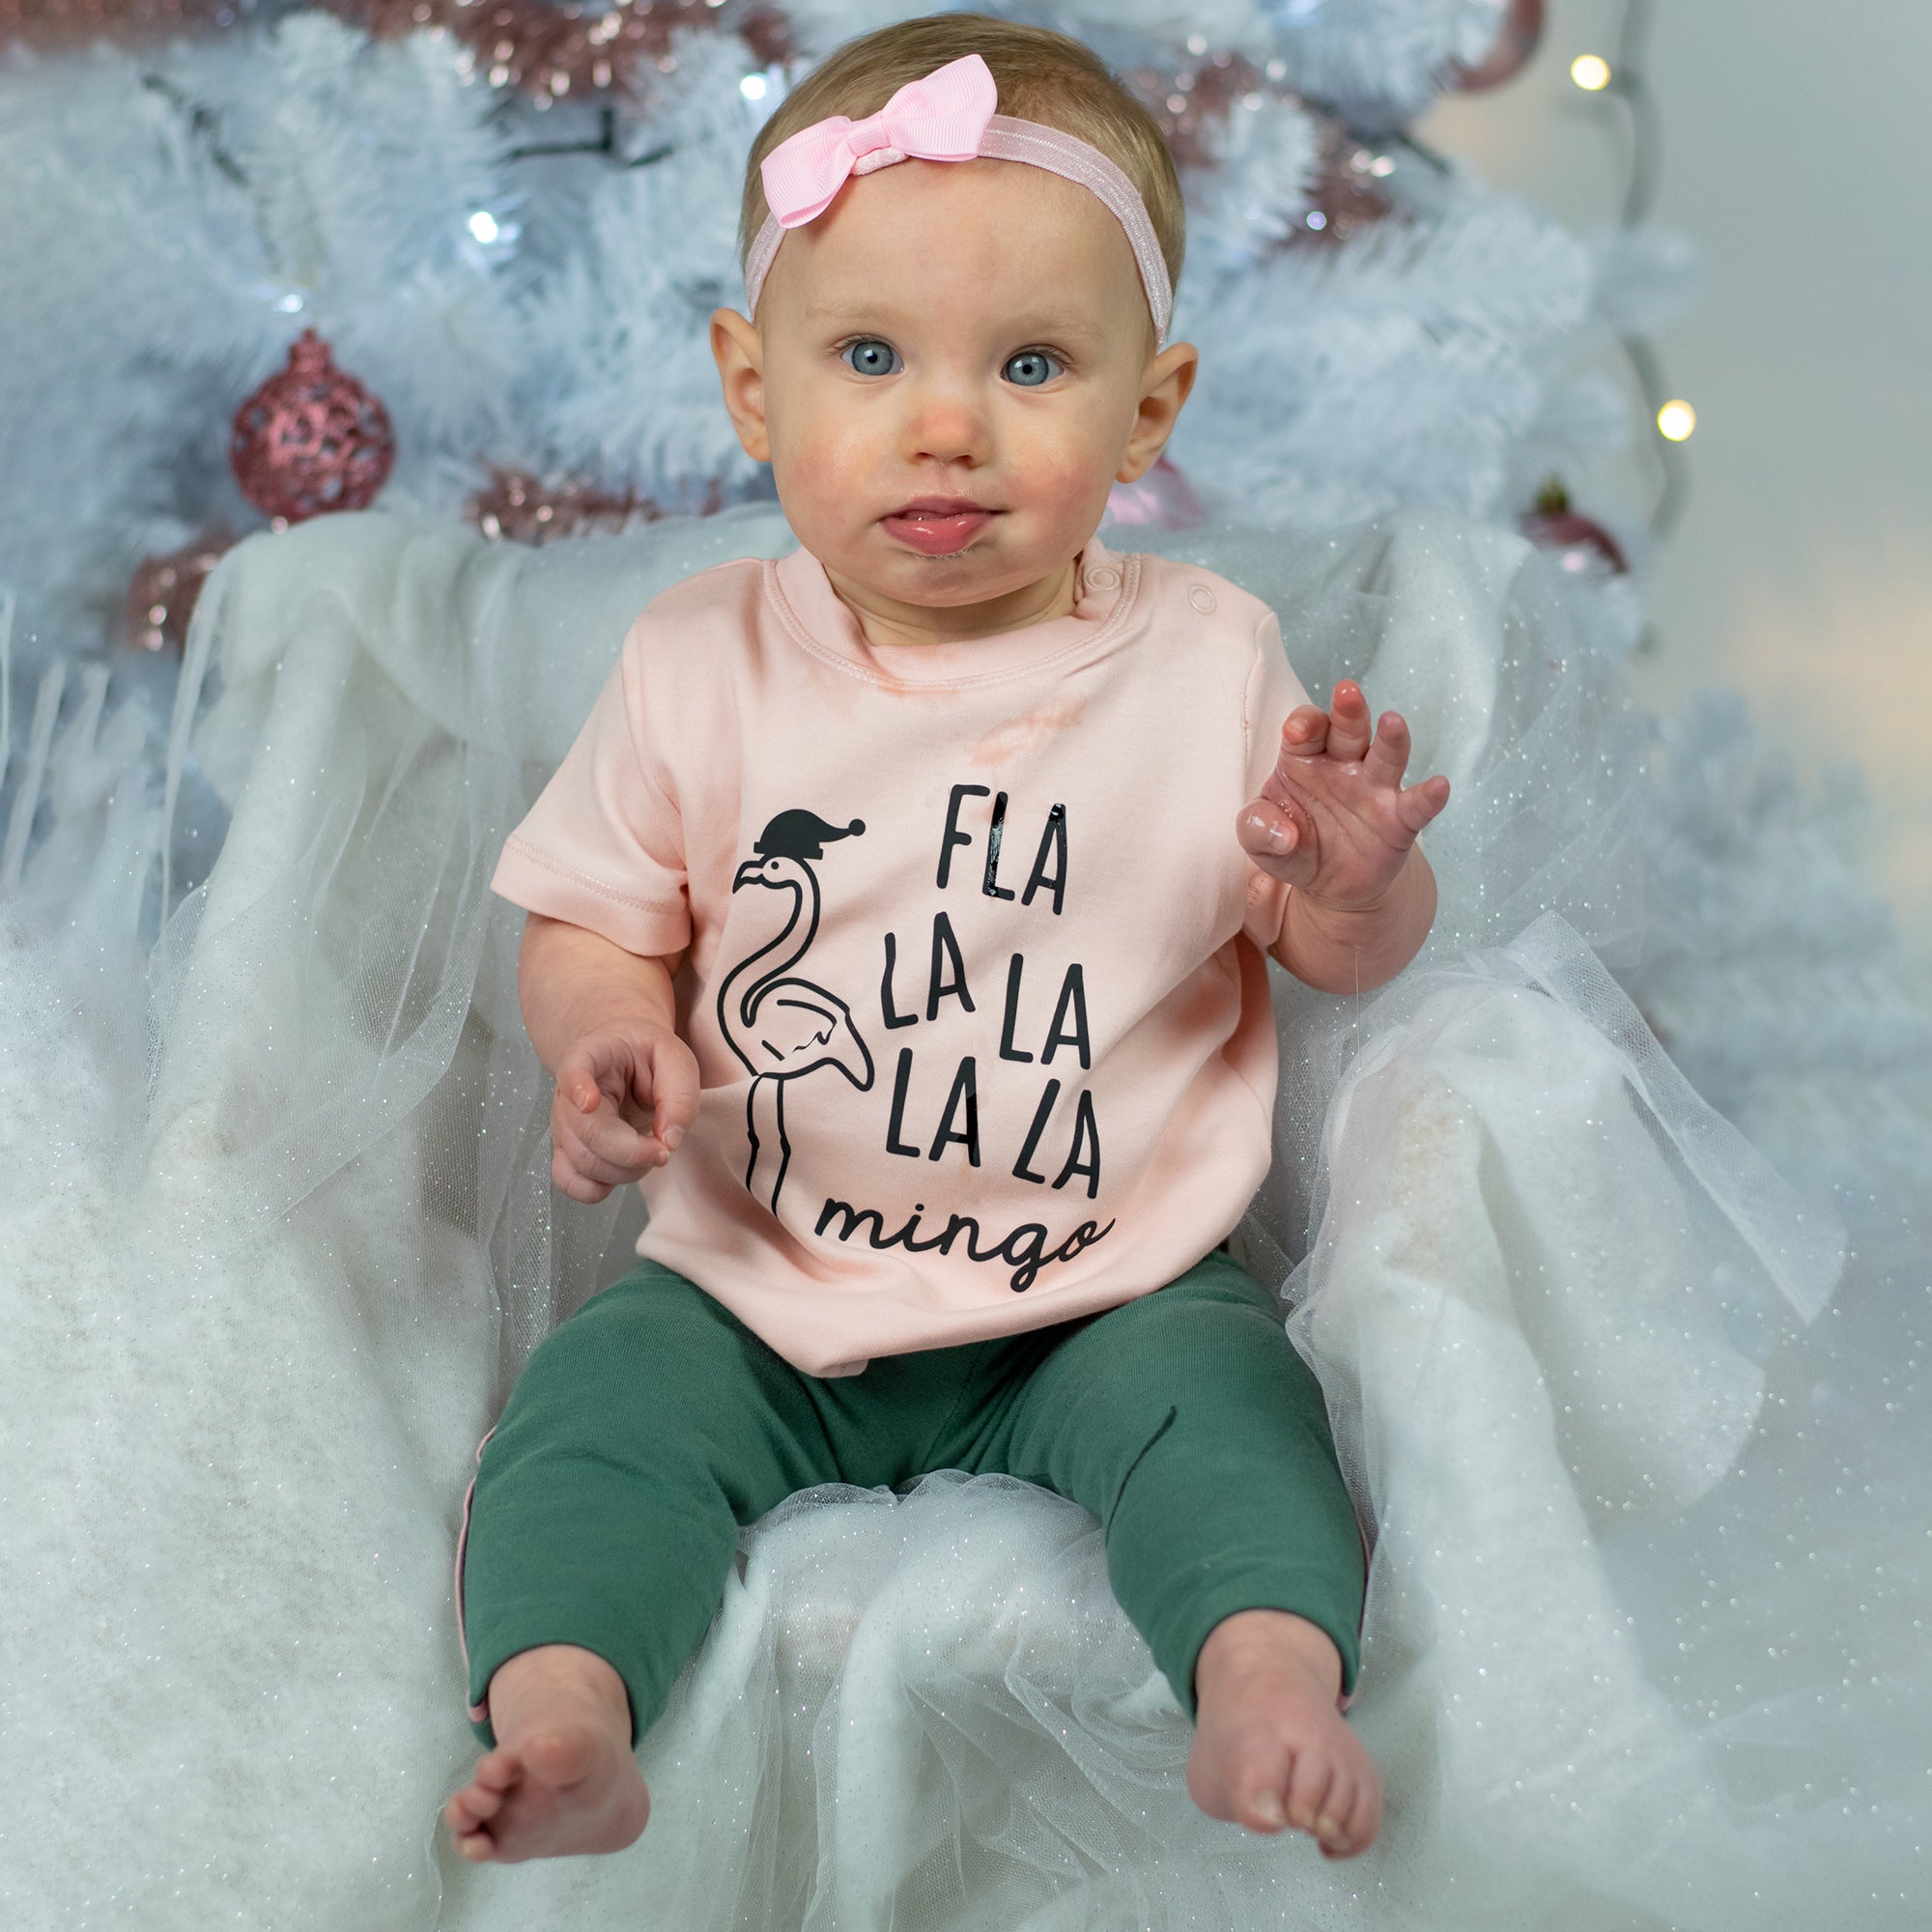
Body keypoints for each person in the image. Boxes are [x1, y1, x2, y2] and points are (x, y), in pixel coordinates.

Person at [442, 15, 1449, 1869]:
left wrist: (1354, 875)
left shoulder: (1209, 658)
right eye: (871, 354)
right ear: (755, 388)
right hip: (760, 1280)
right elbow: (594, 911)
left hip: (1108, 1285)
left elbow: (1326, 950)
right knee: (588, 1421)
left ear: (1151, 408)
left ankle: (1265, 1678)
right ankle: (570, 1703)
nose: (947, 424)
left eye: (1037, 363)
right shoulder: (698, 658)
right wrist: (604, 1037)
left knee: (1235, 1422)